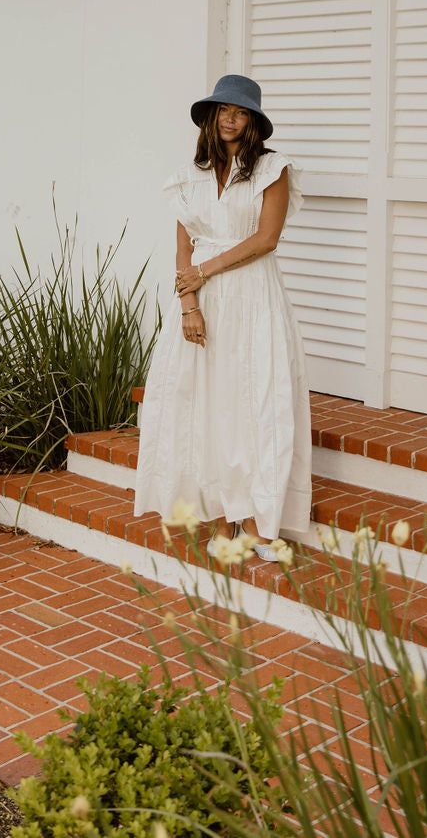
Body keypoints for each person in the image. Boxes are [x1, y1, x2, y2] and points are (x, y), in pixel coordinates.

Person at [133, 74, 312, 562]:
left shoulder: (272, 170)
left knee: (252, 402)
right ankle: (219, 512)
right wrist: (189, 304)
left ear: (253, 121)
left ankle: (256, 523)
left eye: (240, 112)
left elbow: (265, 239)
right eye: (222, 110)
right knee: (206, 404)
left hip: (251, 295)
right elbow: (182, 243)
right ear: (211, 117)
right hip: (201, 300)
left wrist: (202, 273)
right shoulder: (188, 174)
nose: (230, 119)